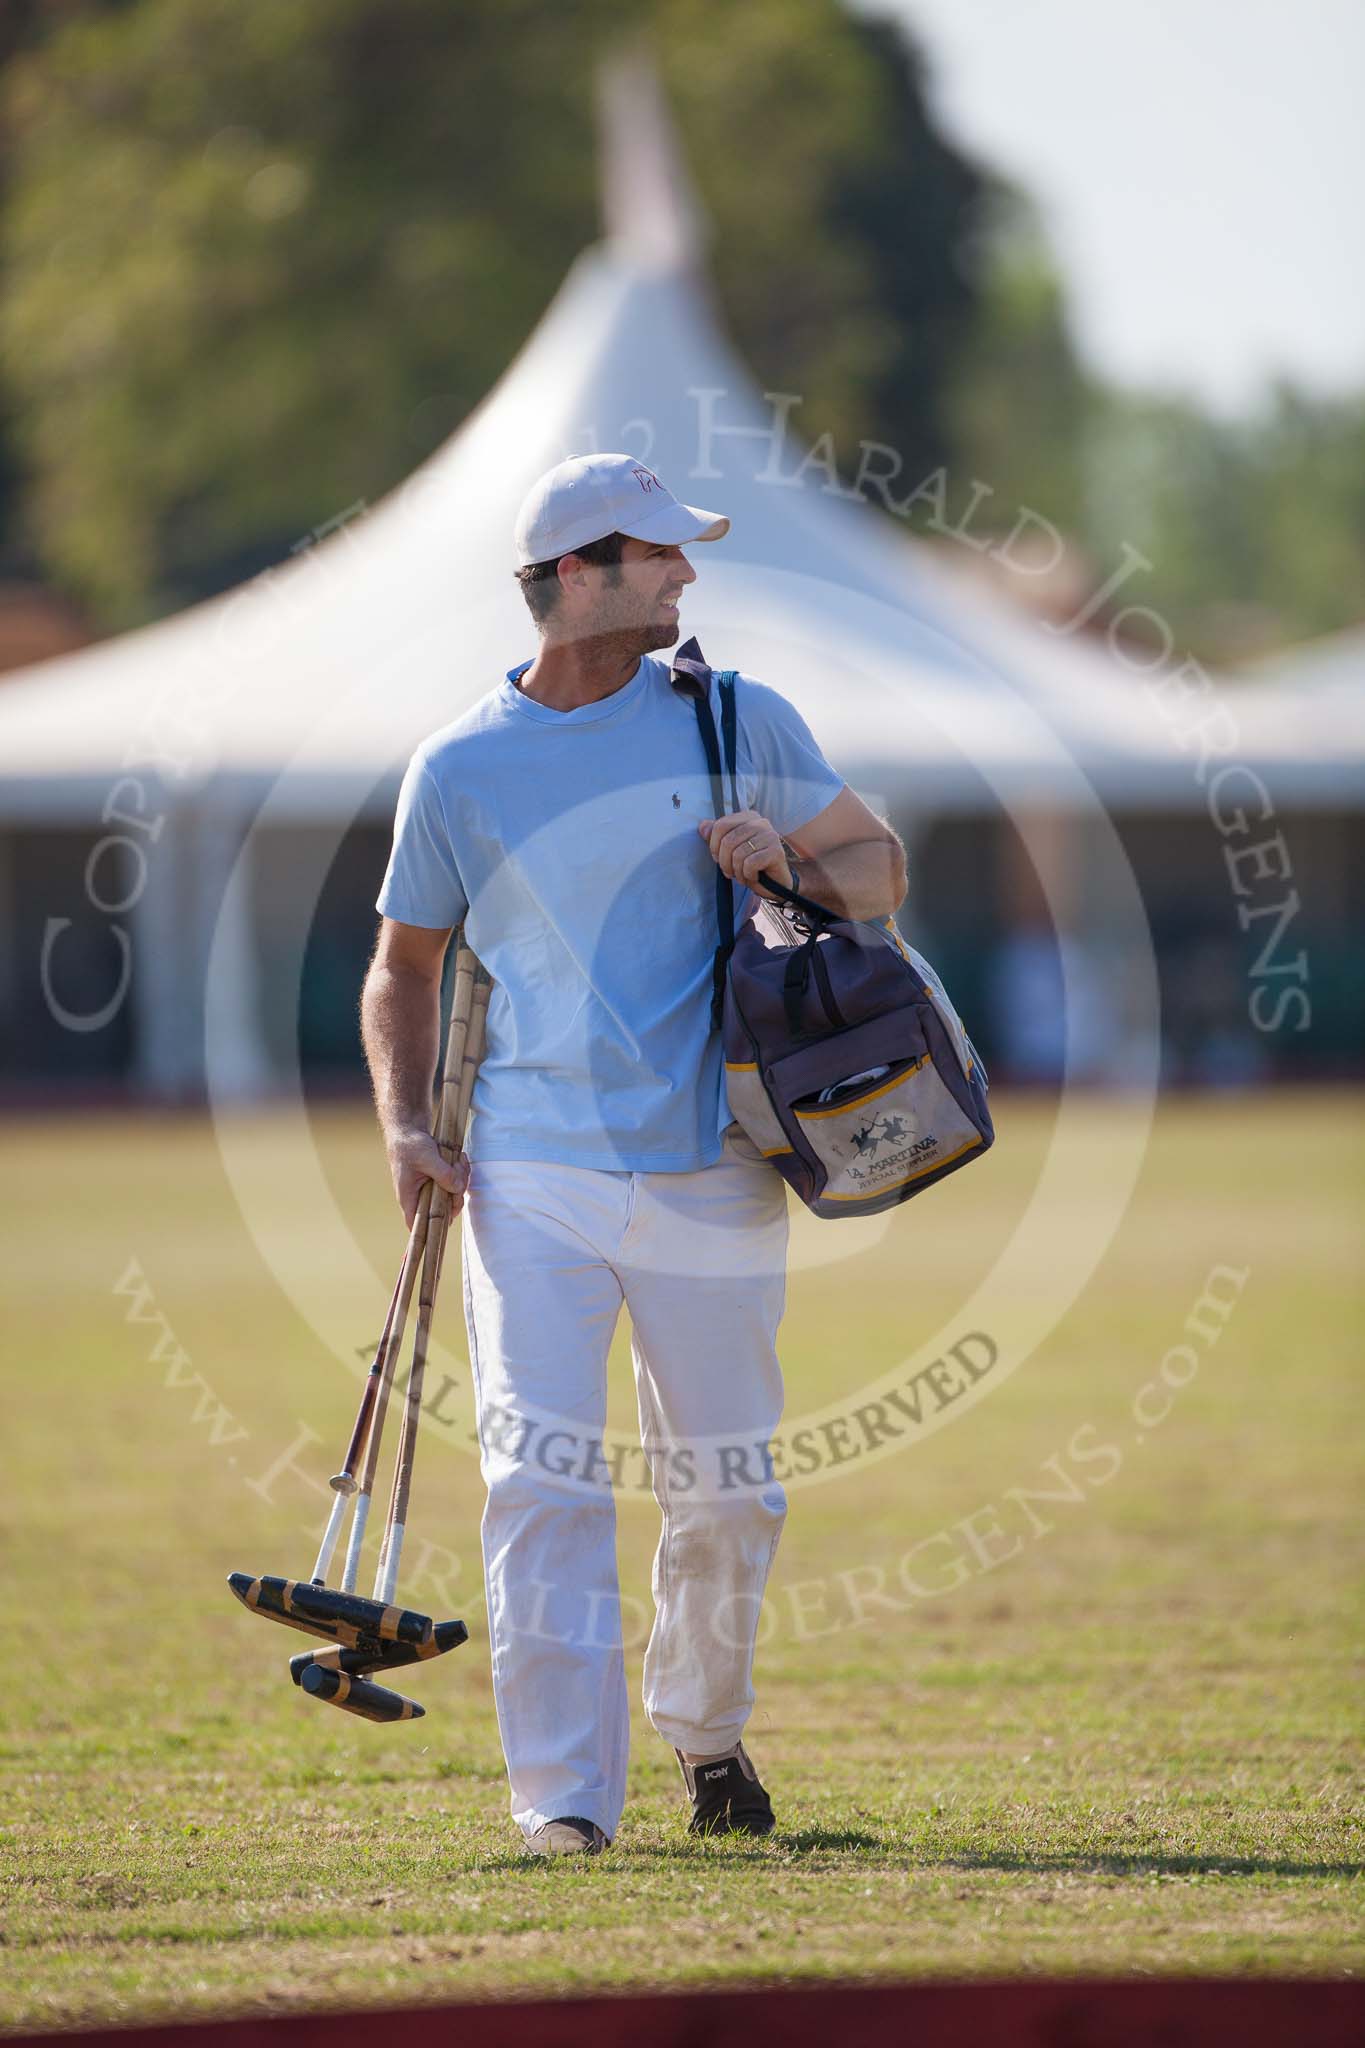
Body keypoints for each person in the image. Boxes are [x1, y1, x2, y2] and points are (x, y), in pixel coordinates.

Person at [362, 452, 906, 1855]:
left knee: (729, 1493)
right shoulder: (459, 764)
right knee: (537, 1477)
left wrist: (779, 857)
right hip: (527, 1169)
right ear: (582, 571)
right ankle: (562, 1801)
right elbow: (401, 967)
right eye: (661, 553)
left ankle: (705, 1736)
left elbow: (879, 872)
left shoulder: (735, 712)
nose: (686, 572)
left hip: (715, 1164)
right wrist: (407, 1124)